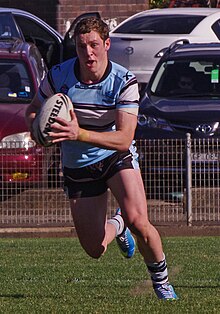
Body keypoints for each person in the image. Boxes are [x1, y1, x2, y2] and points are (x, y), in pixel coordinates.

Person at [25, 17, 178, 300]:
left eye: (94, 45)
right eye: (82, 47)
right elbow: (33, 109)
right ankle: (117, 225)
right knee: (95, 249)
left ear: (107, 44)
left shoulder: (123, 81)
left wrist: (77, 133)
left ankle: (162, 284)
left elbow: (123, 138)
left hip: (115, 156)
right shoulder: (59, 76)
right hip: (77, 164)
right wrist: (38, 130)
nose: (89, 53)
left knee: (139, 221)